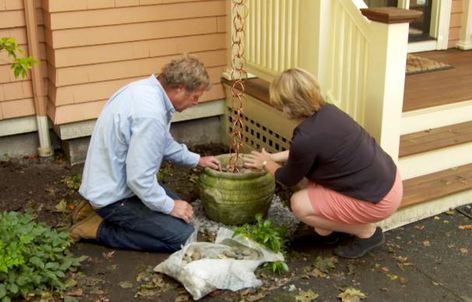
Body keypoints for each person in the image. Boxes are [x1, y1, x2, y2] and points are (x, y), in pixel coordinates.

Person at [244, 68, 403, 259]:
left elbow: (287, 177)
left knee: (299, 204)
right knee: (309, 185)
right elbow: (310, 151)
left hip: (379, 201)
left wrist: (264, 163)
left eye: (280, 104)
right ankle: (326, 232)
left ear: (289, 106)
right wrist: (275, 157)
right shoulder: (329, 112)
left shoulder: (306, 136)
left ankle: (366, 232)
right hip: (389, 183)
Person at [70, 55, 221, 252]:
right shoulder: (150, 115)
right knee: (183, 238)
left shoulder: (145, 91)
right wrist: (169, 206)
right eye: (195, 97)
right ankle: (97, 228)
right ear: (180, 88)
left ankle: (96, 211)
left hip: (117, 184)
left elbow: (162, 143)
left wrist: (198, 160)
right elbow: (140, 179)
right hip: (116, 197)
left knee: (184, 213)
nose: (196, 103)